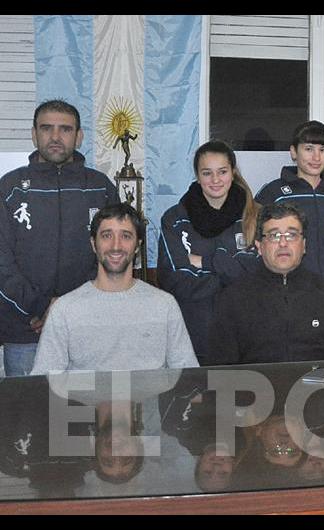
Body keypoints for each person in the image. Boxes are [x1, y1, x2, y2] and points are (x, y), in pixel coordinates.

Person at [0, 99, 119, 376]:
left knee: (86, 413)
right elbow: (2, 261)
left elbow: (114, 256)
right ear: (34, 134)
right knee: (28, 415)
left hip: (86, 325)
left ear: (78, 136)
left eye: (65, 129)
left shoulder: (100, 187)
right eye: (47, 128)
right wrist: (41, 306)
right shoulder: (9, 187)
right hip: (25, 327)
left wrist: (69, 307)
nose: (55, 137)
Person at [31, 203, 199, 373]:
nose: (116, 246)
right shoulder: (64, 310)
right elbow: (46, 384)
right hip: (84, 400)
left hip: (150, 399)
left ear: (137, 246)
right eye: (106, 236)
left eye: (126, 236)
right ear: (93, 244)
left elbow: (187, 379)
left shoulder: (165, 305)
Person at [210, 203, 324, 365]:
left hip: (319, 388)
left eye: (291, 235)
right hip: (256, 387)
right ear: (259, 246)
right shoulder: (234, 298)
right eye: (274, 235)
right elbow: (221, 370)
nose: (283, 243)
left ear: (304, 245)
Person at [157, 140, 260, 365]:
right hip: (194, 340)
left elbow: (259, 279)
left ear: (233, 172)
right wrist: (232, 272)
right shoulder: (174, 219)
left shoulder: (257, 216)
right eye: (207, 173)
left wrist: (205, 262)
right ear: (197, 175)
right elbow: (174, 281)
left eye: (222, 172)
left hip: (249, 340)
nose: (215, 180)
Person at [254, 120, 324, 302]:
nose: (316, 157)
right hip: (284, 297)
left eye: (322, 150)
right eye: (309, 149)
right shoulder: (274, 193)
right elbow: (254, 244)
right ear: (293, 152)